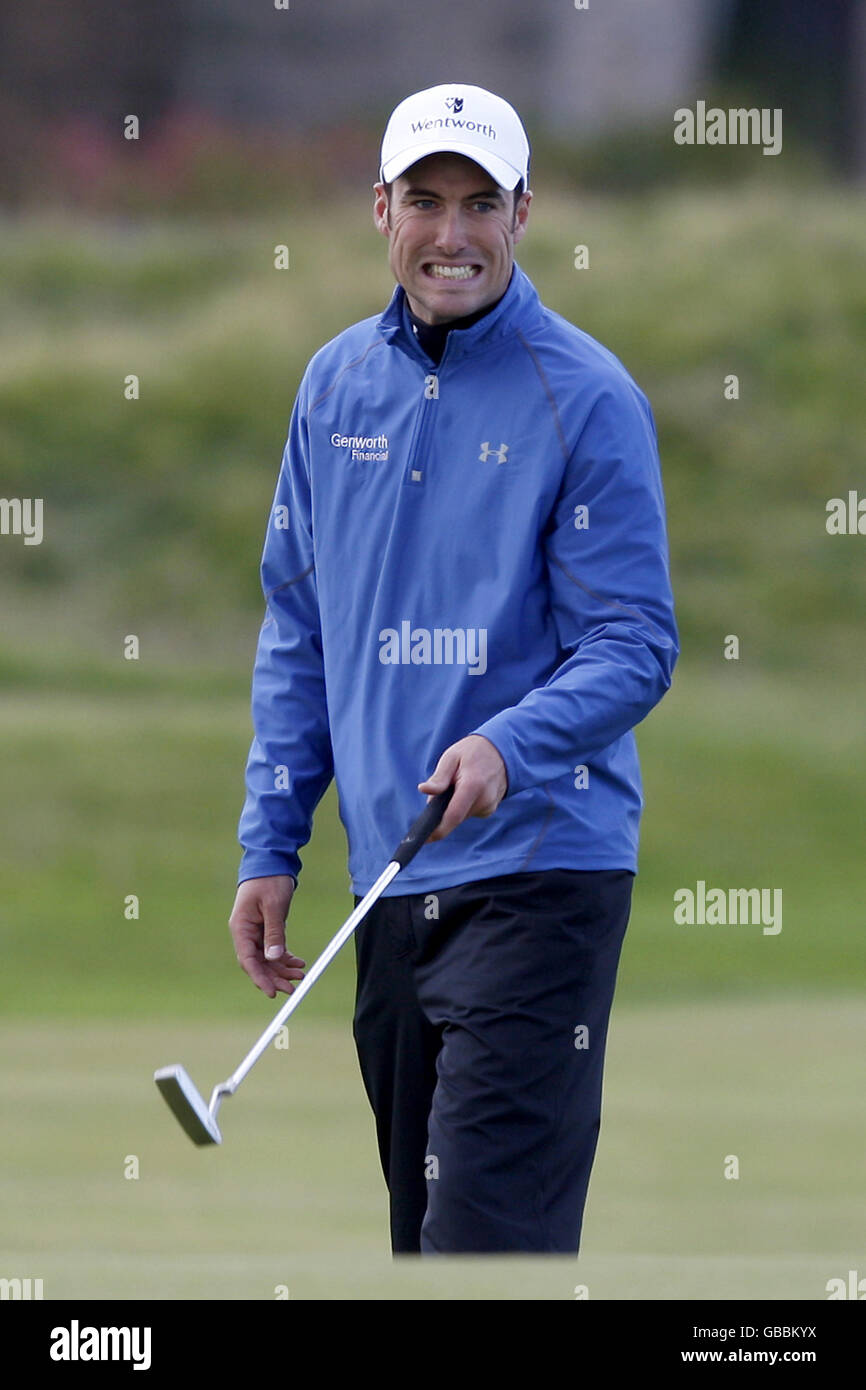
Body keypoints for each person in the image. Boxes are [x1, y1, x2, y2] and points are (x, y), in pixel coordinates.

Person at [229, 83, 678, 1255]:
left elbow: (632, 644)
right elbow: (299, 628)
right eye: (424, 200)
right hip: (390, 880)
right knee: (422, 1246)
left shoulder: (583, 396)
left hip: (540, 872)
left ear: (523, 214)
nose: (451, 233)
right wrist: (270, 842)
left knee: (485, 1245)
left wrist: (504, 743)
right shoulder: (332, 387)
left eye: (480, 202)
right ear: (380, 208)